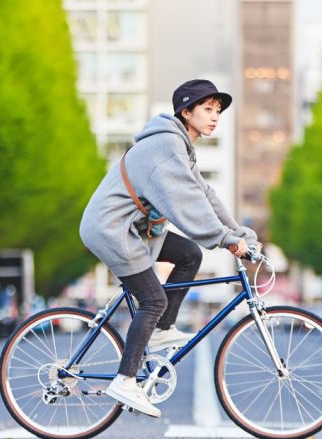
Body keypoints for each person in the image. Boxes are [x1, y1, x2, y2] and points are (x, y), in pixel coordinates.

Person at [79, 79, 259, 417]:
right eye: (207, 109)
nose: (215, 116)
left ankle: (161, 330)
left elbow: (205, 194)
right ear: (185, 111)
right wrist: (226, 241)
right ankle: (125, 379)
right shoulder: (164, 148)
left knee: (190, 255)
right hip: (111, 228)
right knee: (153, 299)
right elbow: (187, 204)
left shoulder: (181, 148)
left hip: (131, 228)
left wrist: (238, 232)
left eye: (218, 110)